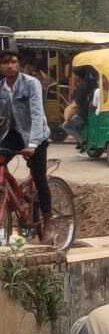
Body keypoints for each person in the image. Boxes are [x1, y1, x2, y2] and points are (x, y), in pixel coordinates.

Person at [0, 50, 51, 219]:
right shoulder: (1, 88)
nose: (10, 65)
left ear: (19, 64)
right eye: (5, 63)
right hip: (13, 134)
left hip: (35, 135)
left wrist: (33, 144)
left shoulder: (31, 83)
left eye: (13, 62)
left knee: (39, 177)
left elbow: (37, 113)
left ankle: (48, 217)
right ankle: (13, 193)